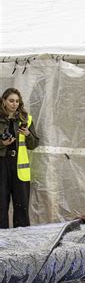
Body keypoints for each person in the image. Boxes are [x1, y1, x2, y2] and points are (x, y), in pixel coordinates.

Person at [0, 88, 39, 228]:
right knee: (1, 207)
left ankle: (21, 241)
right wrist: (2, 144)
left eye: (17, 101)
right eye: (11, 101)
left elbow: (34, 144)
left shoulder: (26, 119)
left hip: (19, 168)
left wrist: (28, 134)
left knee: (21, 207)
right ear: (4, 101)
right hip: (2, 166)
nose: (14, 104)